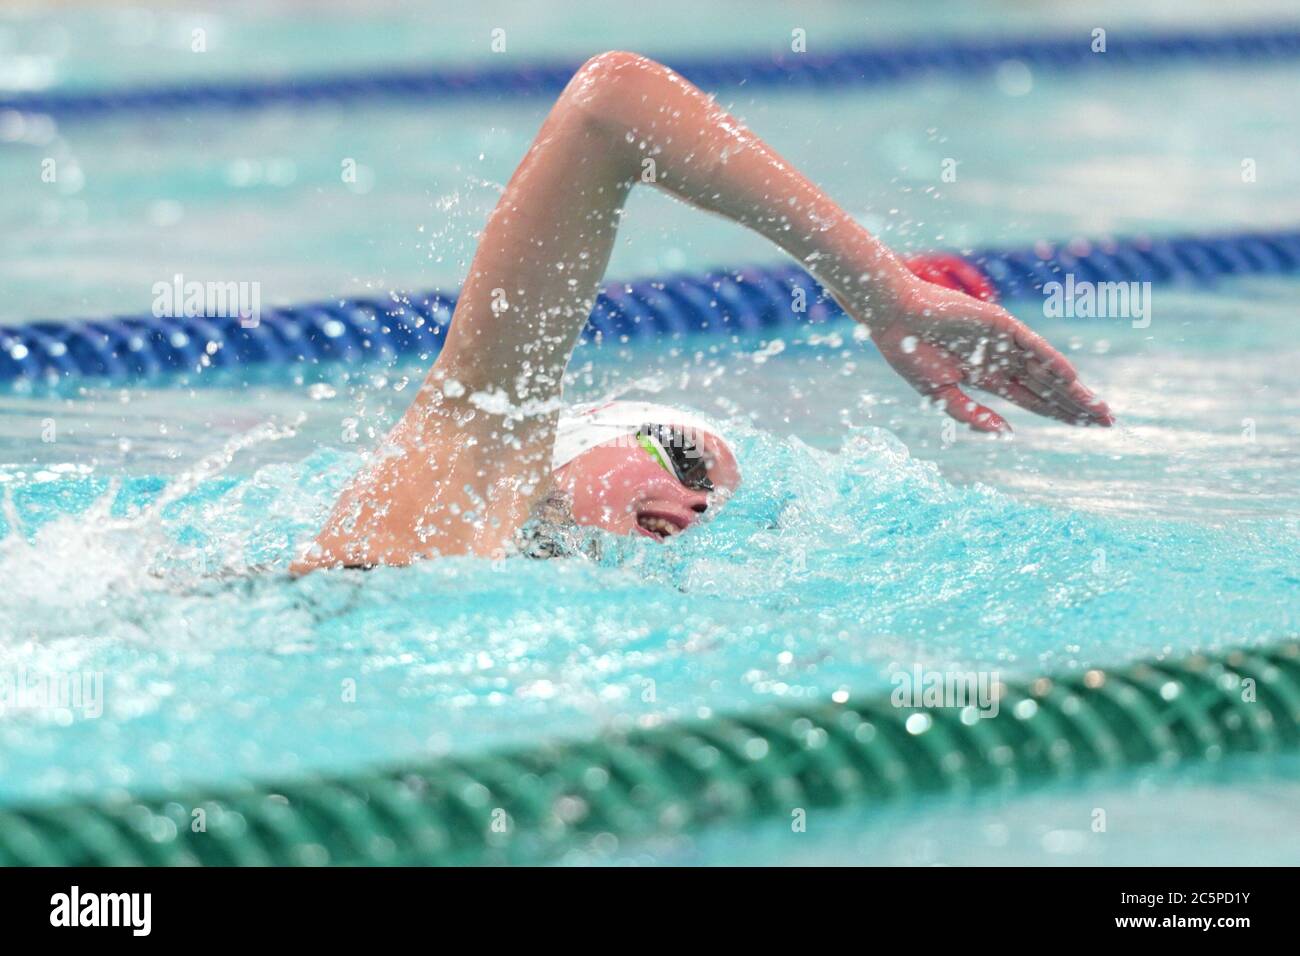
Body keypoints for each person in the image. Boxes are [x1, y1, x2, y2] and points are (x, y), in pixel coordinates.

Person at [291, 51, 1111, 573]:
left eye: (713, 498)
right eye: (674, 455)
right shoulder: (461, 469)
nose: (691, 505)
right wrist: (882, 292)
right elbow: (612, 106)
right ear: (558, 444)